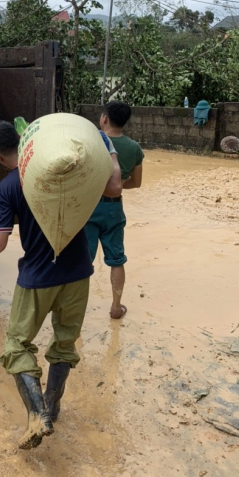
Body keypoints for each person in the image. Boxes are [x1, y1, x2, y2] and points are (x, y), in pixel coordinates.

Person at [0, 121, 122, 450]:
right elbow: (114, 187)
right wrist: (111, 152)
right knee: (64, 344)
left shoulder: (9, 185)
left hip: (38, 278)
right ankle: (53, 406)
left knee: (16, 346)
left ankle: (37, 414)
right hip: (78, 272)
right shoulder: (69, 170)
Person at [84, 101, 144, 320]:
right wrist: (117, 184)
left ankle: (76, 309)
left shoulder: (91, 143)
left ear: (104, 119)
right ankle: (116, 307)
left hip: (88, 207)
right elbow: (135, 183)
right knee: (117, 259)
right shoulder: (134, 148)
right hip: (114, 209)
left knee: (83, 260)